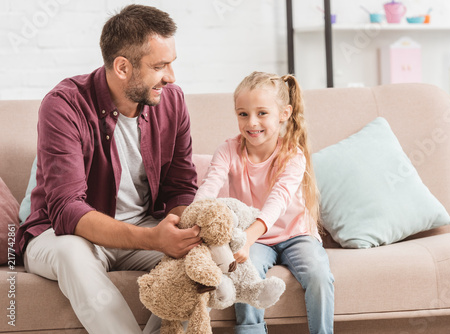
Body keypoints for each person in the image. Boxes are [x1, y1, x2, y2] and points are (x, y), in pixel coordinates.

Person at [14, 5, 201, 334]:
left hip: (143, 228)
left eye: (172, 62)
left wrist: (179, 231)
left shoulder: (173, 101)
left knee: (204, 259)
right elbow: (67, 210)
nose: (171, 76)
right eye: (159, 66)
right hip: (60, 236)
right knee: (73, 253)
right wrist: (153, 239)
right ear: (122, 67)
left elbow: (181, 187)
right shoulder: (64, 105)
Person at [194, 71, 335, 333]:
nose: (252, 122)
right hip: (256, 239)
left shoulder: (293, 155)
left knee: (318, 275)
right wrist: (193, 217)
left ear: (283, 113)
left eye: (262, 113)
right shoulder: (228, 150)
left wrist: (247, 237)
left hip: (295, 234)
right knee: (246, 279)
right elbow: (209, 186)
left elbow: (278, 200)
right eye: (243, 114)